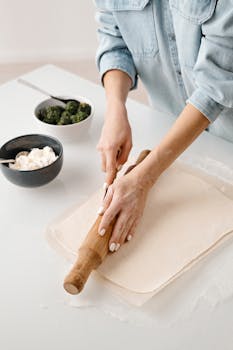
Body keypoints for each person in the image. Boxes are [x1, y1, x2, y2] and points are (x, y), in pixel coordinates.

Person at [94, 0, 233, 252]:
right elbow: (114, 37)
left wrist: (143, 179)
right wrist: (115, 107)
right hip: (168, 135)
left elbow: (219, 79)